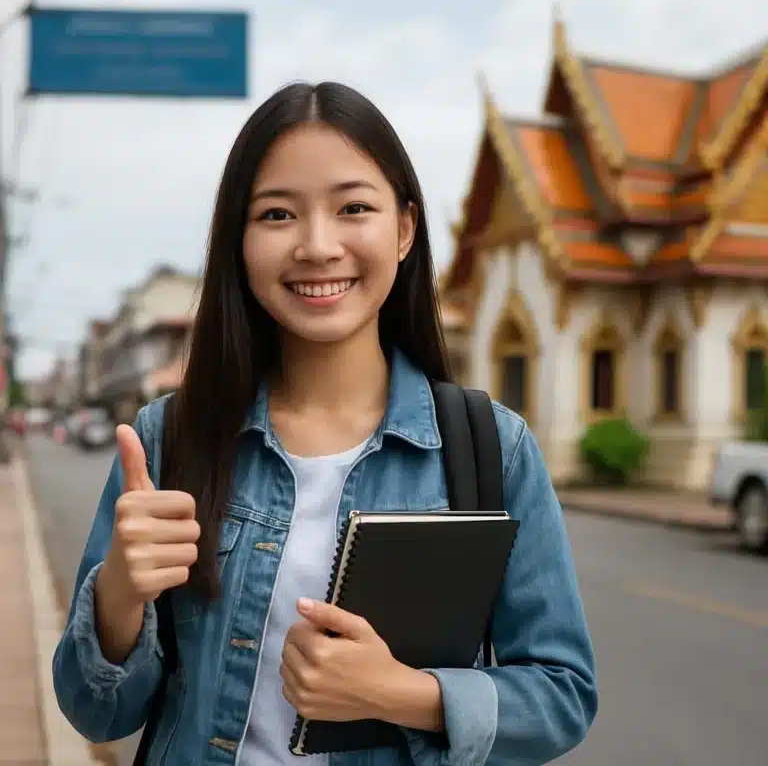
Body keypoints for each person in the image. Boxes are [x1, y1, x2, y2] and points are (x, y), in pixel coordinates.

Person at [53, 81, 597, 765]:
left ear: (403, 229)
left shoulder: (493, 448)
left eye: (353, 208)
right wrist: (119, 597)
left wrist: (400, 692)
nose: (317, 246)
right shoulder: (170, 440)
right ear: (239, 241)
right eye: (277, 215)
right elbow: (94, 712)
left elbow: (562, 694)